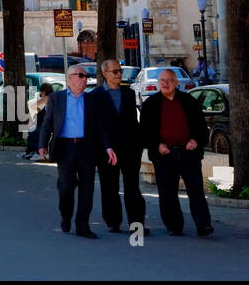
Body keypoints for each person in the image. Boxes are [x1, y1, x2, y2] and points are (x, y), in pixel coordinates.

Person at [39, 65, 115, 238]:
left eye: (85, 76)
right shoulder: (56, 99)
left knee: (87, 188)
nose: (84, 79)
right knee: (66, 187)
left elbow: (100, 128)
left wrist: (108, 147)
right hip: (65, 148)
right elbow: (47, 123)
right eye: (80, 75)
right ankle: (66, 216)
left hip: (87, 147)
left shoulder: (92, 100)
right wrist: (42, 144)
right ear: (70, 78)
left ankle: (83, 226)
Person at [139, 68, 213, 237]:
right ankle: (174, 226)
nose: (165, 83)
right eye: (162, 80)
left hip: (188, 153)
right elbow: (144, 131)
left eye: (169, 80)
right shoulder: (151, 104)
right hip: (164, 155)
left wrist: (195, 140)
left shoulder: (188, 101)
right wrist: (157, 145)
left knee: (196, 191)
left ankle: (203, 225)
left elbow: (202, 128)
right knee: (167, 193)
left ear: (176, 83)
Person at [90, 59, 149, 235]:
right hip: (106, 149)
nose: (119, 74)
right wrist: (104, 146)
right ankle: (113, 221)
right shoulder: (95, 96)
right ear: (105, 73)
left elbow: (133, 120)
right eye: (115, 71)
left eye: (120, 71)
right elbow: (96, 125)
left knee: (132, 187)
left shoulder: (129, 93)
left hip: (130, 148)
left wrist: (139, 144)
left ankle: (137, 224)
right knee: (109, 186)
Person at [23, 82, 54, 160]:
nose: (40, 93)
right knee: (32, 130)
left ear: (43, 92)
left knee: (35, 132)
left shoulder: (49, 98)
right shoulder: (47, 99)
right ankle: (31, 151)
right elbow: (36, 108)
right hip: (44, 124)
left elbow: (35, 107)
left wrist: (42, 100)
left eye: (41, 92)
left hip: (49, 125)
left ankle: (36, 151)